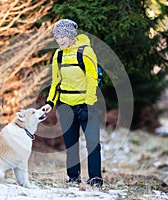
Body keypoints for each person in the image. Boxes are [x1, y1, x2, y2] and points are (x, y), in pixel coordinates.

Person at [44, 19, 103, 187]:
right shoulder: (59, 54)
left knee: (92, 144)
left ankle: (95, 179)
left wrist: (90, 103)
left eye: (63, 36)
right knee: (71, 144)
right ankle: (73, 178)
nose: (60, 40)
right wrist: (50, 102)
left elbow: (92, 79)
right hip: (65, 105)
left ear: (71, 35)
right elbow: (56, 81)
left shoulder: (86, 52)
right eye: (57, 37)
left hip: (86, 104)